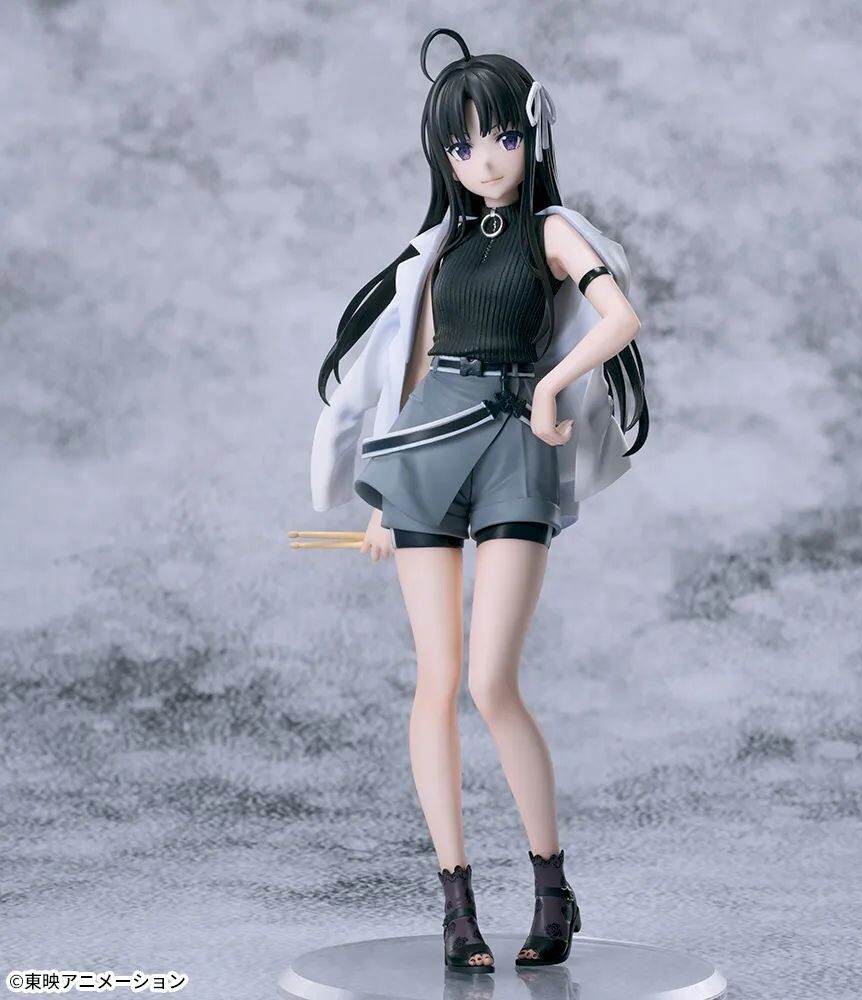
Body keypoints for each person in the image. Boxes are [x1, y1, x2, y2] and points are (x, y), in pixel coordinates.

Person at [310, 26, 648, 972]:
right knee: (437, 676)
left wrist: (550, 388)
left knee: (493, 682)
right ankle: (456, 904)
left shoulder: (551, 230)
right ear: (444, 159)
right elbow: (411, 376)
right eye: (462, 147)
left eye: (499, 137)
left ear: (532, 132)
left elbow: (619, 318)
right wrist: (384, 496)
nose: (484, 160)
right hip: (430, 449)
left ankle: (551, 889)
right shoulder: (442, 249)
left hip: (514, 450)